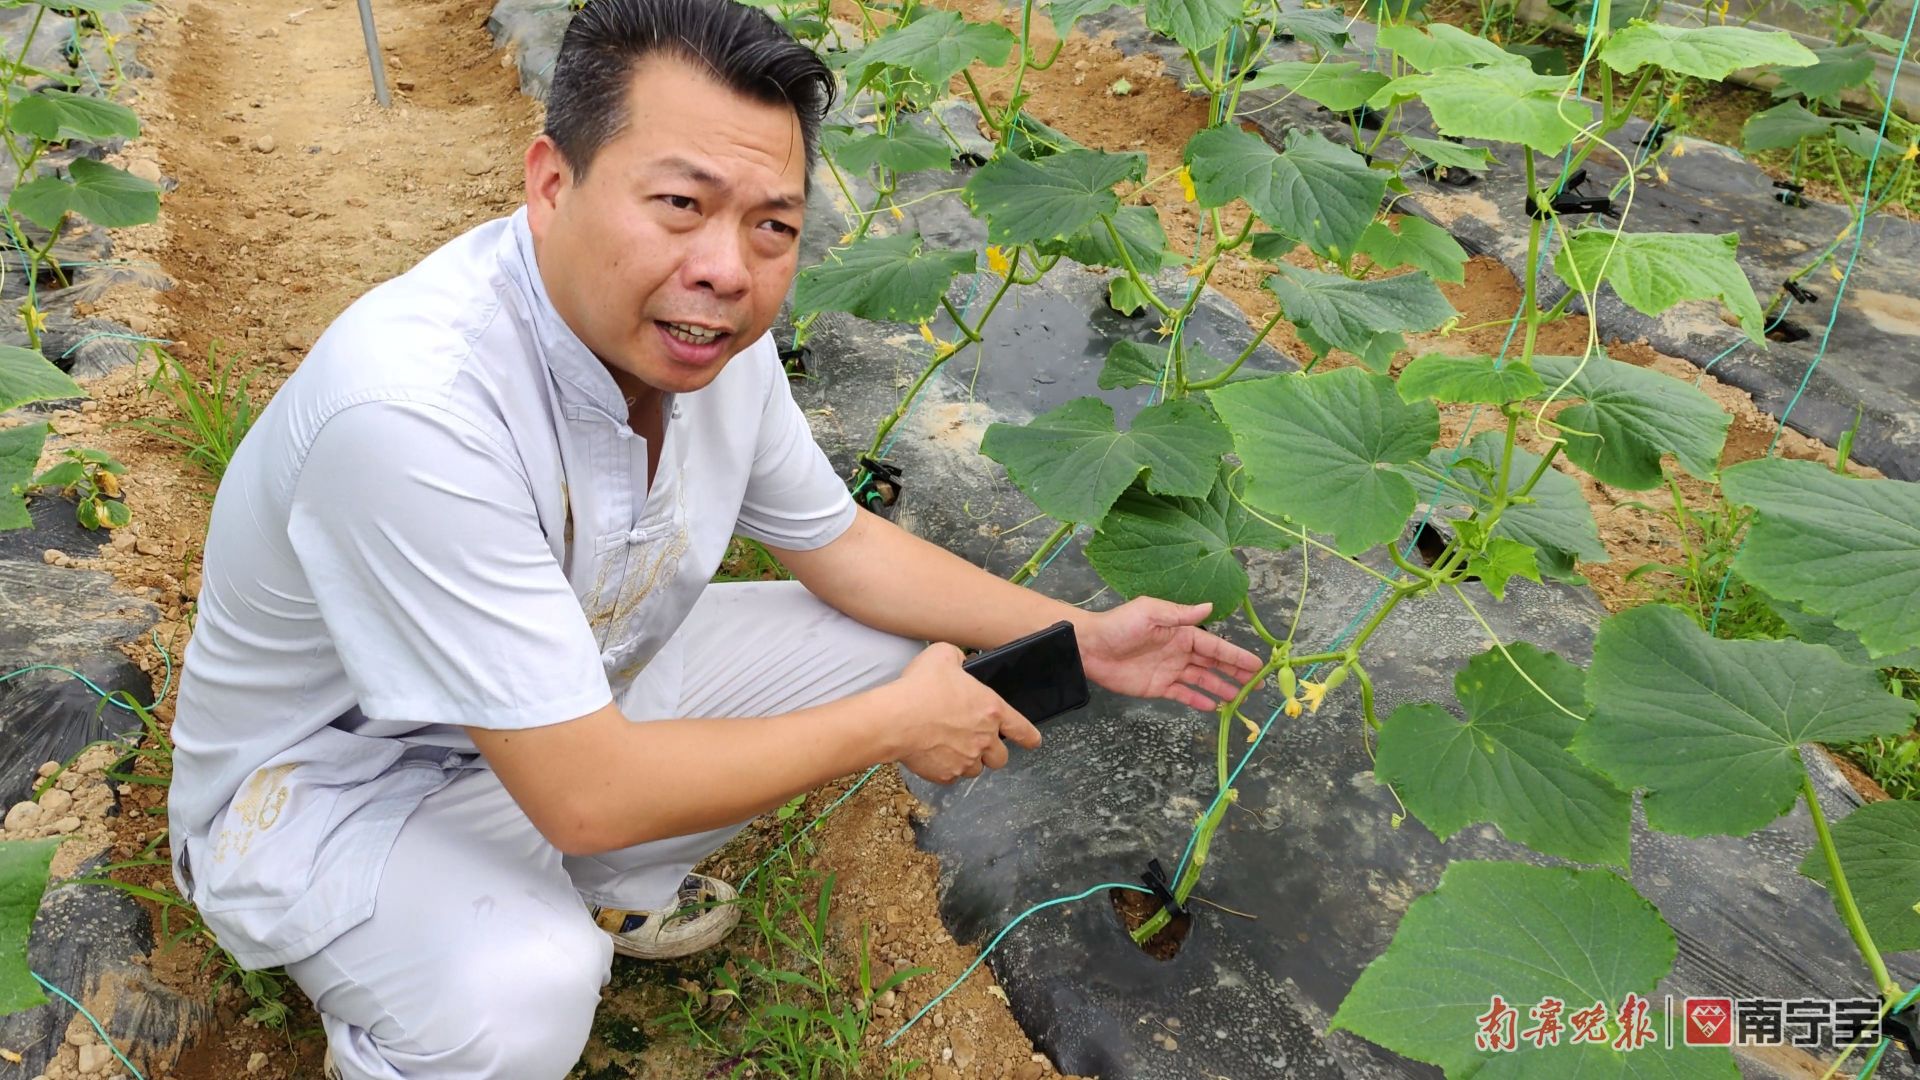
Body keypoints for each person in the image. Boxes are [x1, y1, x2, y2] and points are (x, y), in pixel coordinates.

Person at [165, 1, 1263, 1076]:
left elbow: (844, 550)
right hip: (329, 790)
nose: (729, 268)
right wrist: (888, 726)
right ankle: (433, 986)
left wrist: (1085, 635)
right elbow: (583, 789)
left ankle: (576, 881)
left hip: (543, 714)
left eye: (771, 224)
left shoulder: (706, 347)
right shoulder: (414, 412)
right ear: (552, 183)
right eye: (681, 203)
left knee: (883, 641)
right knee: (525, 996)